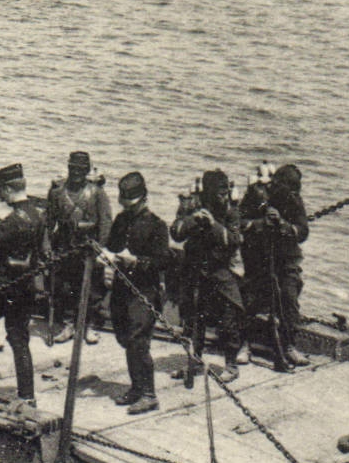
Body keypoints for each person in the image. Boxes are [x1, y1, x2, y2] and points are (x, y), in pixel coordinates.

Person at [97, 171, 175, 413]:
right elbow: (111, 245)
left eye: (131, 202)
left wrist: (137, 262)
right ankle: (136, 387)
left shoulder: (157, 226)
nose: (126, 206)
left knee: (138, 340)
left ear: (143, 199)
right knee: (124, 338)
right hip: (122, 289)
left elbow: (162, 261)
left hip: (144, 291)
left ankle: (149, 394)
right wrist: (106, 255)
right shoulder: (121, 220)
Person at [0, 163, 45, 410]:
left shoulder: (12, 221)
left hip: (4, 288)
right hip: (26, 288)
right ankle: (27, 397)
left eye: (0, 191)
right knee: (18, 338)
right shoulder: (37, 215)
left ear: (6, 189)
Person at [171, 168, 245, 384]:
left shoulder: (230, 211)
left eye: (225, 192)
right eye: (219, 193)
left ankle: (231, 365)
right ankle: (193, 362)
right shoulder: (192, 205)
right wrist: (193, 219)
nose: (223, 196)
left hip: (220, 269)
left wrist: (213, 224)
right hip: (194, 269)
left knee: (231, 313)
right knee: (193, 320)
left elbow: (233, 239)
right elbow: (176, 232)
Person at [240, 163, 312, 369]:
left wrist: (284, 226)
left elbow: (303, 231)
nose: (291, 194)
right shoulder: (256, 195)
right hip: (258, 257)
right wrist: (260, 223)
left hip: (286, 259)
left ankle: (289, 345)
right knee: (251, 299)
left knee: (289, 297)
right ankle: (244, 344)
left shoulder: (294, 201)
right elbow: (239, 221)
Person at [43, 150, 114, 344]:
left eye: (81, 169)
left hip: (88, 248)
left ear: (87, 170)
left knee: (92, 289)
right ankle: (68, 324)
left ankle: (89, 326)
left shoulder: (97, 194)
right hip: (64, 246)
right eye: (73, 168)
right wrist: (47, 244)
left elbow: (105, 223)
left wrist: (99, 248)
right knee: (64, 287)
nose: (76, 172)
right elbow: (48, 222)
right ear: (68, 168)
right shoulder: (57, 192)